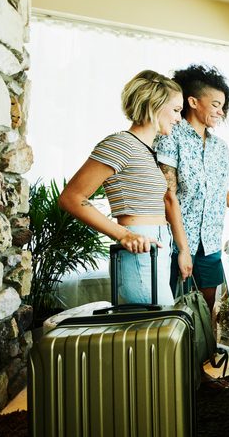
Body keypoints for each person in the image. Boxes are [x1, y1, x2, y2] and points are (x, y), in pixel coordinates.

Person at [59, 70, 187, 304]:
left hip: (155, 250)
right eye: (176, 110)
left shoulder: (146, 150)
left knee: (161, 324)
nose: (179, 119)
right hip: (140, 252)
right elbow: (71, 197)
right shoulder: (121, 144)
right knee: (159, 324)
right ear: (155, 104)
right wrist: (124, 234)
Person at [155, 63, 229, 313]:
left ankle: (207, 341)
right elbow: (167, 196)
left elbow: (219, 192)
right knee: (175, 312)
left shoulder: (220, 147)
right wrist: (183, 249)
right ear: (193, 102)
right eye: (216, 104)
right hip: (176, 244)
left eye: (223, 106)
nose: (221, 111)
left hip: (210, 243)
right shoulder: (170, 136)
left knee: (207, 310)